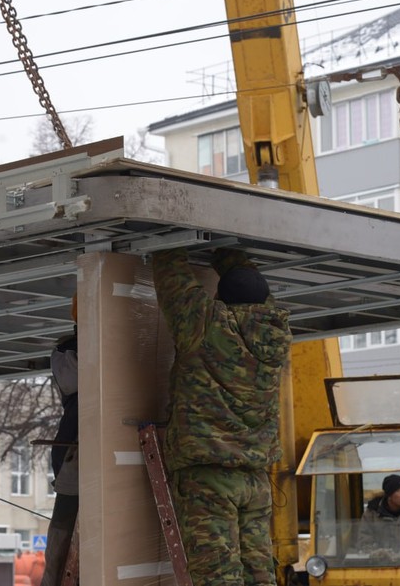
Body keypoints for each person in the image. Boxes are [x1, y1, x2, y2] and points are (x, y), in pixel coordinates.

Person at [151, 247, 292, 586]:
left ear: (221, 296)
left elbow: (171, 273)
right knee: (260, 575)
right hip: (255, 479)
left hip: (208, 478)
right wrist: (229, 255)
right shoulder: (275, 333)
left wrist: (196, 245)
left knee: (218, 576)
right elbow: (256, 291)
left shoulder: (207, 325)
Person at [41, 295, 79, 586]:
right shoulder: (67, 354)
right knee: (63, 534)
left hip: (73, 453)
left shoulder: (71, 353)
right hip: (73, 457)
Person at [357, 474, 400, 565]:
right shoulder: (372, 514)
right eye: (399, 490)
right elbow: (364, 542)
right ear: (389, 495)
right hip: (378, 568)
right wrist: (379, 553)